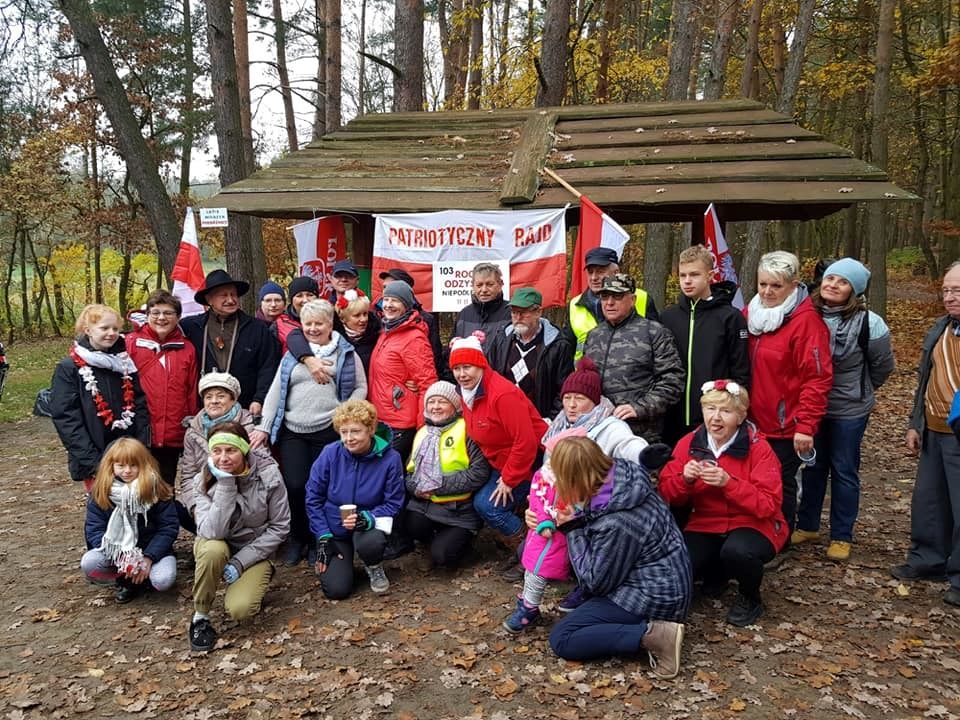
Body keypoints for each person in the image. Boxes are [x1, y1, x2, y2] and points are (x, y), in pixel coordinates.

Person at [547, 436, 690, 678]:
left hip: (655, 595)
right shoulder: (621, 474)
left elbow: (595, 582)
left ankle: (655, 636)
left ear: (573, 478)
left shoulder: (618, 521)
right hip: (659, 577)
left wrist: (572, 529)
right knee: (579, 615)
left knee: (562, 638)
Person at [659, 380, 788, 626]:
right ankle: (716, 574)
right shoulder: (689, 442)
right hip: (706, 523)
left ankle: (750, 598)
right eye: (710, 409)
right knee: (679, 559)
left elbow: (769, 504)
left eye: (725, 412)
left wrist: (729, 483)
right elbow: (667, 493)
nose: (715, 418)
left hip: (754, 524)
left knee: (738, 551)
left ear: (740, 417)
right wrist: (684, 479)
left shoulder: (759, 448)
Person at [793, 259, 895, 561]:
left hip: (849, 409)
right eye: (830, 278)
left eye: (842, 281)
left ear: (855, 290)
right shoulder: (803, 314)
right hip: (812, 406)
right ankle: (808, 524)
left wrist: (861, 390)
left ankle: (841, 535)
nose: (832, 285)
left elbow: (882, 366)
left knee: (843, 469)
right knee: (811, 466)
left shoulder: (870, 323)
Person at [252, 299, 367, 566]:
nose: (313, 329)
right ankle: (298, 537)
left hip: (328, 430)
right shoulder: (293, 354)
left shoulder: (346, 353)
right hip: (294, 429)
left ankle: (319, 538)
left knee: (322, 489)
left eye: (319, 323)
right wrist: (264, 427)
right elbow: (275, 392)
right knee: (295, 486)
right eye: (308, 324)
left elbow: (361, 386)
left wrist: (345, 410)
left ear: (330, 324)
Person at [745, 251, 833, 534]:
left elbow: (817, 379)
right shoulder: (752, 313)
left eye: (776, 285)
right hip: (752, 418)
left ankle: (779, 537)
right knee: (753, 479)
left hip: (786, 423)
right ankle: (758, 533)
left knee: (780, 481)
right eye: (763, 284)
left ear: (794, 285)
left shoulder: (807, 323)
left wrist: (806, 425)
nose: (768, 291)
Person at [891, 260, 960, 608]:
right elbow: (924, 382)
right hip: (935, 429)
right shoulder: (940, 329)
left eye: (957, 290)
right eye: (946, 290)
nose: (950, 297)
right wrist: (914, 424)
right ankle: (928, 560)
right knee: (930, 501)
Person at [188, 422, 290, 652]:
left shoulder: (269, 475)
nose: (223, 457)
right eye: (217, 451)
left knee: (240, 609)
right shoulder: (201, 480)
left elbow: (280, 527)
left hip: (254, 550)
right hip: (217, 544)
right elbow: (211, 532)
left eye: (231, 450)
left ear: (244, 450)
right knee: (213, 549)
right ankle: (201, 616)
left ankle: (259, 575)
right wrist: (225, 484)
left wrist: (240, 561)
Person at [449, 334, 547, 560]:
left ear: (481, 365)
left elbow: (525, 441)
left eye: (468, 367)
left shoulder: (502, 395)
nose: (462, 374)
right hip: (498, 460)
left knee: (488, 506)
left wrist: (509, 479)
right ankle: (522, 542)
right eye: (457, 368)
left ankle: (532, 552)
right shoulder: (467, 392)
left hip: (529, 462)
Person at [306, 400, 405, 599]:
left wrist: (369, 517)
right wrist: (323, 536)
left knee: (372, 542)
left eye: (355, 431)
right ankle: (343, 565)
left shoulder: (390, 458)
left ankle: (374, 565)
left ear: (370, 430)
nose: (349, 438)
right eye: (344, 432)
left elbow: (394, 502)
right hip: (335, 527)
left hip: (368, 525)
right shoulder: (330, 453)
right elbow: (313, 497)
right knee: (337, 590)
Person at [51, 304, 150, 491]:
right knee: (103, 513)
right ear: (88, 330)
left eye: (115, 328)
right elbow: (66, 419)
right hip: (94, 456)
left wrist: (141, 448)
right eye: (104, 328)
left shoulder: (125, 364)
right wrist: (94, 463)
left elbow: (139, 405)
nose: (111, 333)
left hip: (129, 458)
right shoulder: (70, 368)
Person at [660, 244, 750, 444]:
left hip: (714, 418)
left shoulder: (729, 317)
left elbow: (741, 369)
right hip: (672, 417)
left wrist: (733, 410)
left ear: (710, 276)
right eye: (683, 276)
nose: (687, 281)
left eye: (694, 274)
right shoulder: (668, 317)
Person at [583, 273, 684, 442]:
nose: (609, 302)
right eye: (605, 296)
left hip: (640, 434)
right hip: (598, 433)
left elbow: (672, 381)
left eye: (617, 296)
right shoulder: (594, 336)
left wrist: (639, 408)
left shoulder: (654, 332)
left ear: (633, 299)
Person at [400, 382, 490, 568]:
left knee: (443, 558)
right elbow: (408, 474)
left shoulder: (468, 430)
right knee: (407, 523)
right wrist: (416, 488)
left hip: (459, 511)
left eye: (442, 402)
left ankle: (463, 544)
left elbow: (479, 473)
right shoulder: (422, 433)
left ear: (455, 406)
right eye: (431, 402)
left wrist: (437, 486)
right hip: (425, 505)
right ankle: (435, 540)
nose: (435, 407)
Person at [502, 429, 582, 634]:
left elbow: (578, 510)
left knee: (539, 571)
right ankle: (528, 604)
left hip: (563, 537)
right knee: (532, 570)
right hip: (541, 534)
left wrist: (566, 519)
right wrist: (544, 521)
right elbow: (537, 500)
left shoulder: (578, 484)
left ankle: (529, 607)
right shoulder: (544, 475)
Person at [81, 438, 178, 604]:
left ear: (144, 464)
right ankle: (125, 581)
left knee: (164, 580)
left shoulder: (157, 489)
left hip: (152, 553)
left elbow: (168, 528)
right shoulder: (100, 493)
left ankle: (145, 579)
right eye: (121, 465)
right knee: (90, 563)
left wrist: (148, 558)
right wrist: (123, 559)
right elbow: (94, 530)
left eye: (133, 465)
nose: (127, 471)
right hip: (118, 554)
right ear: (111, 466)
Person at [180, 269, 281, 416]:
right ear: (209, 299)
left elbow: (268, 366)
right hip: (204, 409)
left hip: (245, 409)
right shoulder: (191, 327)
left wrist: (259, 398)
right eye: (224, 295)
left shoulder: (257, 329)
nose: (230, 299)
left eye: (233, 294)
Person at [179, 373, 270, 534]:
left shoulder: (249, 426)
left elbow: (262, 471)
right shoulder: (193, 431)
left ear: (233, 399)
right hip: (207, 499)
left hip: (244, 500)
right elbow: (188, 475)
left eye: (221, 396)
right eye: (208, 397)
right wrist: (195, 508)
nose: (214, 401)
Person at [126, 289, 199, 486]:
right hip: (139, 431)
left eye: (168, 313)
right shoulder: (130, 343)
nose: (161, 318)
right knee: (137, 488)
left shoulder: (187, 348)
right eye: (156, 312)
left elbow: (191, 392)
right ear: (147, 314)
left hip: (172, 434)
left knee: (165, 487)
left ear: (178, 317)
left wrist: (189, 427)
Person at [368, 280, 438, 462]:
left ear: (406, 305)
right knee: (381, 470)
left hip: (400, 422)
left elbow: (427, 383)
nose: (389, 305)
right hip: (382, 418)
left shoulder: (414, 338)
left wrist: (423, 426)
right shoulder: (386, 332)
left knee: (389, 471)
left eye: (395, 301)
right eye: (386, 300)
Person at [486, 287, 573, 420]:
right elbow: (489, 376)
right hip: (503, 417)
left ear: (538, 312)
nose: (518, 318)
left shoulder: (558, 344)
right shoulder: (501, 339)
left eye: (523, 312)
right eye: (514, 313)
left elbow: (564, 388)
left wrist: (550, 420)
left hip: (538, 420)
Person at [563, 247, 658, 362]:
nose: (594, 278)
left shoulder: (643, 298)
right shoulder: (574, 305)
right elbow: (566, 351)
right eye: (590, 272)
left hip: (631, 375)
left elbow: (657, 345)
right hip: (587, 376)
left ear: (616, 272)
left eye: (600, 271)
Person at [378, 267, 444, 377]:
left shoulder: (424, 321)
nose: (386, 291)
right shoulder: (378, 317)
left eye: (391, 287)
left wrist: (412, 379)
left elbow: (433, 361)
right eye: (384, 287)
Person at [450, 262, 512, 353]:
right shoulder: (464, 314)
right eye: (479, 285)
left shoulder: (511, 313)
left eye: (490, 284)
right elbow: (452, 351)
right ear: (473, 286)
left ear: (500, 285)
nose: (484, 290)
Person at [334, 289, 380, 378]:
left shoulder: (377, 336)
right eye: (357, 315)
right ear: (343, 318)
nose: (363, 319)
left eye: (365, 314)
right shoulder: (334, 339)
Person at [274, 276, 319, 352]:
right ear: (292, 300)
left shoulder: (329, 320)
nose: (305, 300)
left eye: (310, 295)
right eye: (299, 296)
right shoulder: (279, 325)